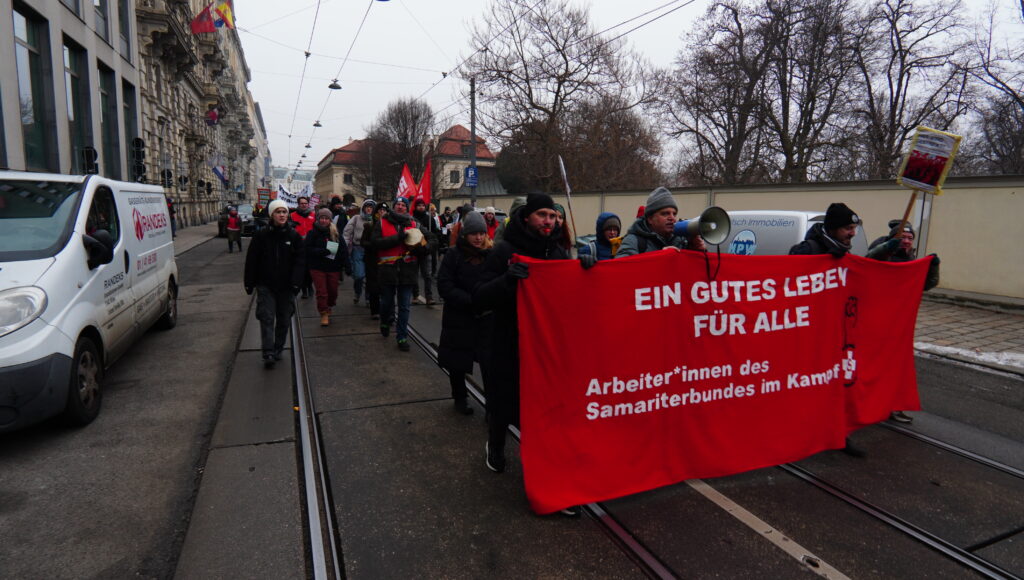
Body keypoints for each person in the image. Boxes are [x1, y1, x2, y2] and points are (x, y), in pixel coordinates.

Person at [474, 194, 571, 492]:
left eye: (553, 216)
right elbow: (479, 295)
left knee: (542, 407)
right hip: (508, 341)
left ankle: (541, 462)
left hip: (544, 345)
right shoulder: (504, 250)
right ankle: (496, 444)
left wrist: (586, 272)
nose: (549, 221)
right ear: (527, 217)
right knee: (504, 402)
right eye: (542, 214)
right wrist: (507, 281)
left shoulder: (557, 253)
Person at [788, 202, 867, 456]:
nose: (852, 233)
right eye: (847, 228)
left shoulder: (844, 254)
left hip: (835, 336)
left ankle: (837, 433)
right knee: (808, 387)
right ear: (832, 229)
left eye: (854, 228)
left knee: (835, 384)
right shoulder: (808, 251)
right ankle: (799, 434)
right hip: (809, 336)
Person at [867, 219, 941, 424]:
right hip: (876, 321)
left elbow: (926, 285)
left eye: (910, 238)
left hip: (899, 325)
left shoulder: (910, 260)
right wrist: (886, 249)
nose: (907, 241)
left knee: (897, 368)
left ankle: (892, 405)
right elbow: (869, 263)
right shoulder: (882, 253)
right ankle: (871, 403)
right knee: (875, 365)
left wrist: (933, 267)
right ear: (893, 239)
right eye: (903, 237)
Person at [436, 210, 492, 415]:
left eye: (482, 233)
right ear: (465, 234)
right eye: (474, 233)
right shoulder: (454, 255)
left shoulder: (492, 254)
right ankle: (460, 397)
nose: (478, 238)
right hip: (459, 316)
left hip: (485, 319)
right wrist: (470, 301)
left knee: (489, 365)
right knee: (457, 362)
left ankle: (493, 405)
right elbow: (444, 285)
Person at [244, 199, 306, 369]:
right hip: (266, 285)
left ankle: (278, 347)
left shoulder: (293, 236)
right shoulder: (261, 235)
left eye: (284, 212)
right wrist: (249, 282)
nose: (282, 215)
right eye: (278, 212)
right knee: (267, 317)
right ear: (272, 215)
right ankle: (268, 351)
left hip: (286, 286)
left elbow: (300, 261)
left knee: (284, 319)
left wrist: (296, 283)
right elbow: (252, 260)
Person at [370, 197, 426, 351]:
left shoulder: (415, 224)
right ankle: (385, 321)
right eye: (398, 205)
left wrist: (422, 248)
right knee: (387, 302)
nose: (401, 207)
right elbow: (375, 243)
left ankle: (402, 337)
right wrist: (397, 238)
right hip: (388, 270)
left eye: (403, 205)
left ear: (407, 208)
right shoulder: (382, 222)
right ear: (393, 207)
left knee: (404, 307)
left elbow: (429, 240)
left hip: (407, 272)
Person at [616, 187, 706, 258]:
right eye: (665, 213)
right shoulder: (633, 241)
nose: (672, 218)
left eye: (674, 214)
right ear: (650, 219)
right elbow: (621, 270)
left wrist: (698, 252)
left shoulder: (682, 240)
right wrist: (659, 257)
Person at [306, 208, 351, 327]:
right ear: (318, 219)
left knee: (332, 292)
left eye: (326, 218)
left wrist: (347, 265)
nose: (324, 220)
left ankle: (329, 305)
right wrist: (323, 251)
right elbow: (308, 249)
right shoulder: (312, 233)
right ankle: (324, 312)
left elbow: (343, 250)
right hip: (317, 267)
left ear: (330, 220)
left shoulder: (335, 233)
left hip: (333, 267)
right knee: (321, 292)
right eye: (322, 218)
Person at [343, 199, 376, 306]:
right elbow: (347, 233)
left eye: (371, 207)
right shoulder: (356, 218)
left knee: (370, 276)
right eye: (367, 207)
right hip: (358, 249)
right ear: (363, 208)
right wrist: (345, 245)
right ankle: (357, 292)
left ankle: (368, 297)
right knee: (359, 275)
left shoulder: (377, 220)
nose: (369, 209)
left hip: (372, 250)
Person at [361, 202, 388, 320]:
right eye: (379, 210)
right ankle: (375, 310)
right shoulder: (369, 226)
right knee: (373, 286)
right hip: (372, 260)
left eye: (384, 210)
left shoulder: (390, 225)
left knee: (385, 286)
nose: (382, 212)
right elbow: (363, 242)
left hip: (386, 260)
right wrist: (373, 245)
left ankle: (386, 309)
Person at [412, 197, 441, 305]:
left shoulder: (430, 219)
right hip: (414, 250)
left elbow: (435, 234)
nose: (421, 207)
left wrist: (430, 244)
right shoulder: (412, 218)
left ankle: (429, 296)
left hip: (426, 250)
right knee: (414, 274)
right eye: (419, 205)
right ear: (416, 207)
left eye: (423, 205)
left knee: (427, 274)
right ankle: (415, 295)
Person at [290, 196, 316, 298]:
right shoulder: (292, 216)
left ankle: (309, 286)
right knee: (301, 269)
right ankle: (304, 289)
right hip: (298, 246)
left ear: (308, 204)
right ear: (298, 204)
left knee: (310, 269)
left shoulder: (313, 215)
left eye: (305, 203)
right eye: (302, 203)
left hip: (310, 246)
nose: (304, 205)